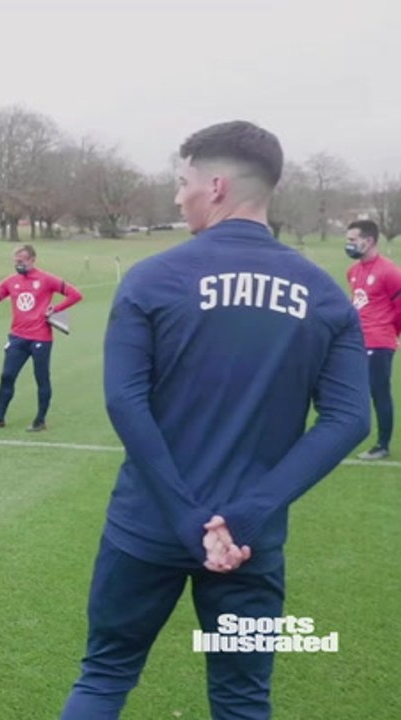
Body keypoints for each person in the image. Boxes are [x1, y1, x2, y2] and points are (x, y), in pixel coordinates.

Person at [60, 121, 371, 720]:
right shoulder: (325, 294)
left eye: (183, 183)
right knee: (240, 698)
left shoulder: (152, 279)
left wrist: (182, 515)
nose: (178, 197)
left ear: (218, 185)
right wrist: (249, 515)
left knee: (105, 675)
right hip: (249, 542)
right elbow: (349, 419)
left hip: (147, 526)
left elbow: (126, 402)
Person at [0, 244, 82, 431]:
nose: (18, 264)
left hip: (41, 338)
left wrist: (55, 309)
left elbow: (75, 295)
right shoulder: (10, 282)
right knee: (7, 376)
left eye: (21, 261)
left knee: (41, 378)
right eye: (16, 261)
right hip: (18, 337)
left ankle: (40, 420)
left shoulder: (46, 279)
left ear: (32, 260)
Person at [344, 219, 401, 460]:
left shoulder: (390, 272)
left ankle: (382, 444)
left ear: (368, 241)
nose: (349, 245)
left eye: (352, 240)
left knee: (378, 392)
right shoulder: (353, 271)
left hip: (379, 342)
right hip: (357, 341)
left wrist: (392, 334)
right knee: (350, 391)